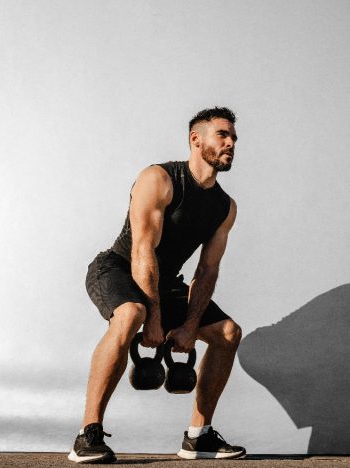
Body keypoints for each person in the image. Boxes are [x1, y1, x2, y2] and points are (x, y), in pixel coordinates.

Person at [68, 107, 245, 463]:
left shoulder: (225, 207)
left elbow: (207, 271)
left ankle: (199, 436)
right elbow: (142, 250)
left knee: (227, 333)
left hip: (165, 280)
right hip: (117, 267)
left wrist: (191, 326)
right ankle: (88, 435)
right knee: (131, 313)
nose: (231, 143)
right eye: (222, 135)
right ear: (196, 139)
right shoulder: (159, 179)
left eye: (234, 138)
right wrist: (154, 318)